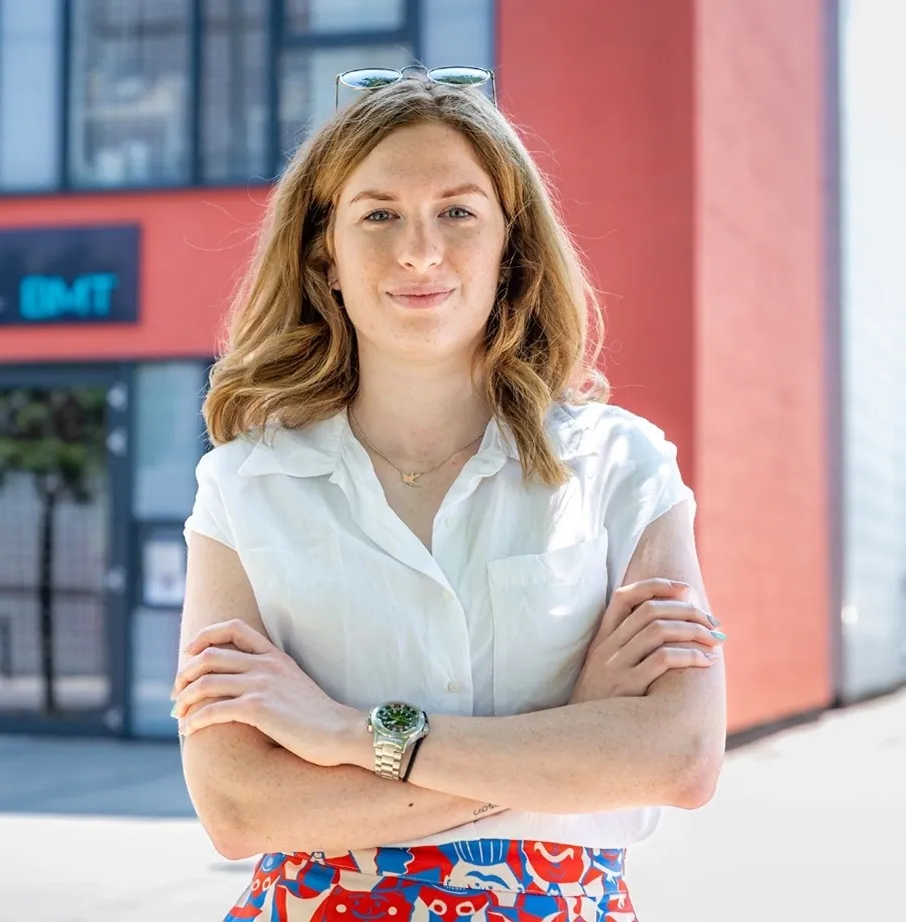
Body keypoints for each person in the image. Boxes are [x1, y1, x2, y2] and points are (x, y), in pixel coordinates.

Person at [172, 66, 726, 922]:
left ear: (510, 248)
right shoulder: (244, 485)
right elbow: (241, 809)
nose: (419, 251)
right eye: (378, 214)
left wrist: (349, 735)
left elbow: (677, 759)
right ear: (325, 252)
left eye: (458, 213)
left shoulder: (622, 466)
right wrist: (573, 733)